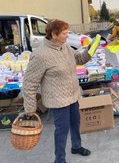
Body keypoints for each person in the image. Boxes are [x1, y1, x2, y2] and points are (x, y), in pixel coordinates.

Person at [22, 19, 93, 163]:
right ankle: (59, 159)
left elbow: (79, 59)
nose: (67, 35)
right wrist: (30, 107)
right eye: (64, 33)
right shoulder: (40, 55)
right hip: (57, 99)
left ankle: (76, 146)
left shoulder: (65, 46)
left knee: (75, 122)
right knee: (62, 129)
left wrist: (91, 49)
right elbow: (29, 83)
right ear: (54, 34)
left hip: (72, 94)